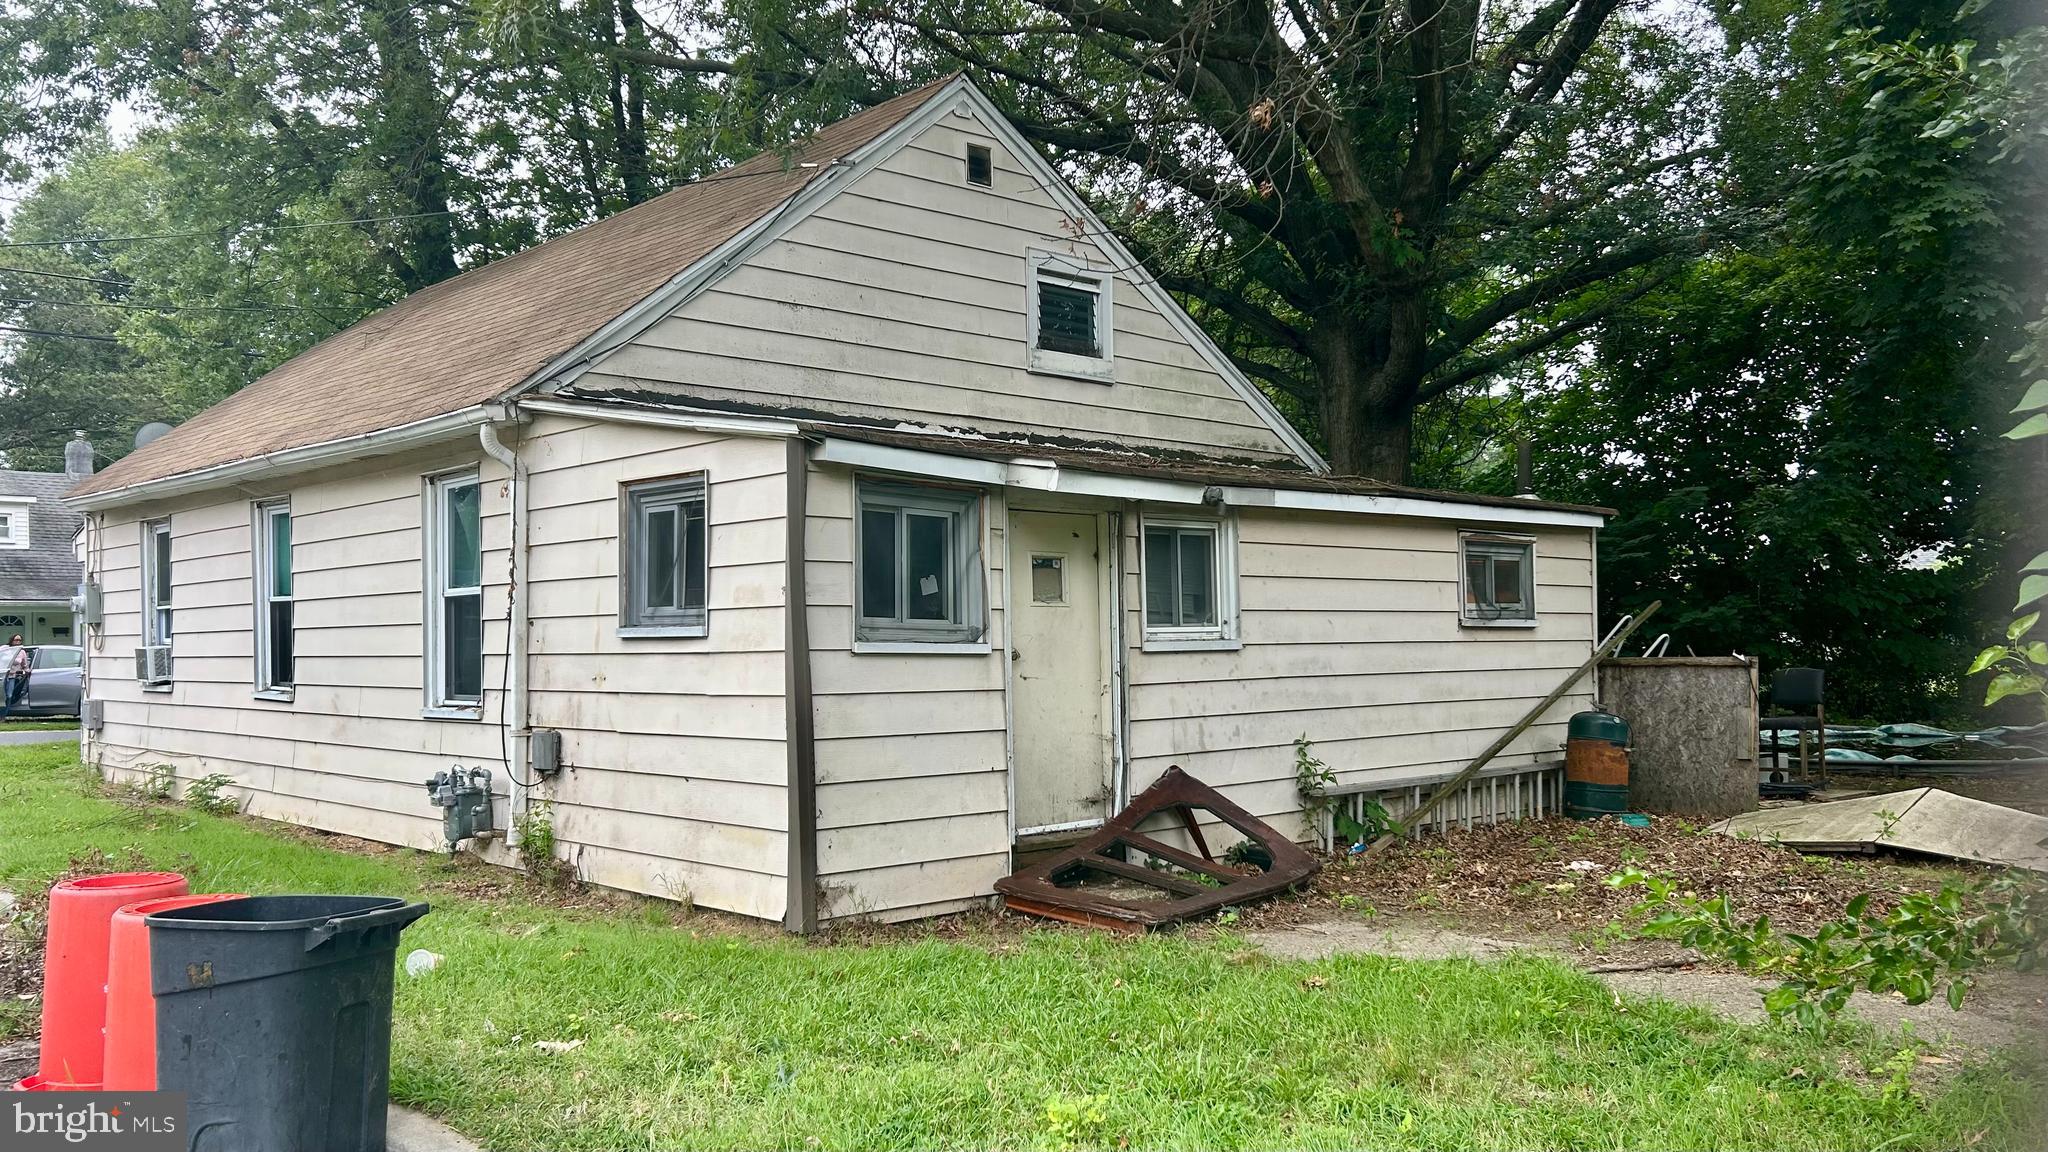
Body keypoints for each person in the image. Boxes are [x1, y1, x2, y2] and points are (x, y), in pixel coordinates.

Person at [0, 634, 27, 720]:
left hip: (12, 676)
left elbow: (24, 665)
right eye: (16, 640)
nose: (18, 642)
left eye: (19, 640)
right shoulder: (5, 648)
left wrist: (27, 670)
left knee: (9, 695)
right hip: (2, 675)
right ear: (12, 640)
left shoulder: (22, 652)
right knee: (1, 695)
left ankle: (3, 716)